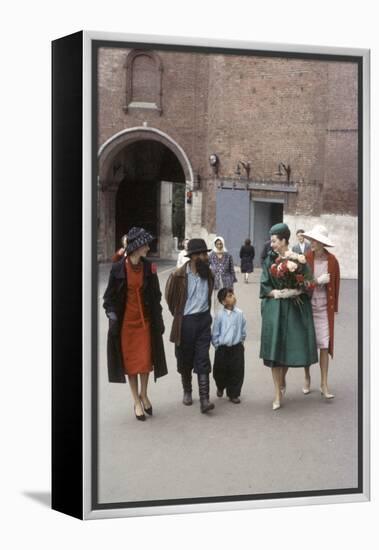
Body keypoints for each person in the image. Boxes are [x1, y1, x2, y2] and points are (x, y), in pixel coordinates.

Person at [103, 227, 167, 421]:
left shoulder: (149, 267)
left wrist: (159, 320)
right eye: (145, 245)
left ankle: (144, 394)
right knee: (131, 365)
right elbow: (109, 298)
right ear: (137, 247)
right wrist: (113, 316)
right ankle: (136, 401)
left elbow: (155, 296)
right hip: (126, 325)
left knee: (146, 361)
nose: (148, 248)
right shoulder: (118, 269)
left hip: (145, 322)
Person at [260, 223, 318, 410]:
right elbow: (264, 286)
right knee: (275, 353)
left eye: (275, 240)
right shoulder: (269, 260)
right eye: (271, 240)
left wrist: (296, 289)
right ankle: (277, 393)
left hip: (293, 309)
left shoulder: (299, 261)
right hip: (275, 310)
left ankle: (284, 379)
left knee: (287, 350)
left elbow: (309, 283)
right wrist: (277, 294)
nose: (272, 244)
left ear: (284, 240)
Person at [165, 238, 215, 414]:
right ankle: (187, 390)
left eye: (205, 253)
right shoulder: (178, 275)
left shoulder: (208, 274)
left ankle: (204, 400)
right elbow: (170, 298)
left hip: (203, 321)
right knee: (185, 359)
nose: (205, 257)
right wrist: (179, 315)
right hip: (185, 322)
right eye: (201, 254)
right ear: (193, 256)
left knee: (203, 359)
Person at [301, 225, 340, 398]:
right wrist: (317, 281)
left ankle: (324, 383)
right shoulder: (305, 258)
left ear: (322, 243)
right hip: (308, 308)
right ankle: (307, 378)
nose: (311, 242)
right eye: (311, 239)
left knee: (324, 345)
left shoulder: (332, 261)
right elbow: (301, 284)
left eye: (314, 240)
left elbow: (336, 285)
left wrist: (335, 308)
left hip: (324, 309)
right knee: (308, 346)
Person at [212, 288, 246, 404]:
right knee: (220, 371)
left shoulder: (240, 314)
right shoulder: (220, 315)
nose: (233, 297)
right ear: (223, 301)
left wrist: (241, 342)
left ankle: (234, 394)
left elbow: (243, 330)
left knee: (237, 371)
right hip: (222, 348)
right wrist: (217, 345)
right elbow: (215, 332)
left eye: (233, 295)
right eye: (230, 296)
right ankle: (220, 386)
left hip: (236, 347)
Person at [209, 236, 237, 310]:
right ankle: (217, 318)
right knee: (216, 300)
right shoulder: (211, 255)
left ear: (223, 244)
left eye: (221, 244)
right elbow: (206, 267)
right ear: (215, 245)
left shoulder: (228, 255)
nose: (219, 246)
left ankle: (227, 316)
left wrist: (232, 280)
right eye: (217, 244)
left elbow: (231, 269)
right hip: (216, 281)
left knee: (227, 299)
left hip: (227, 281)